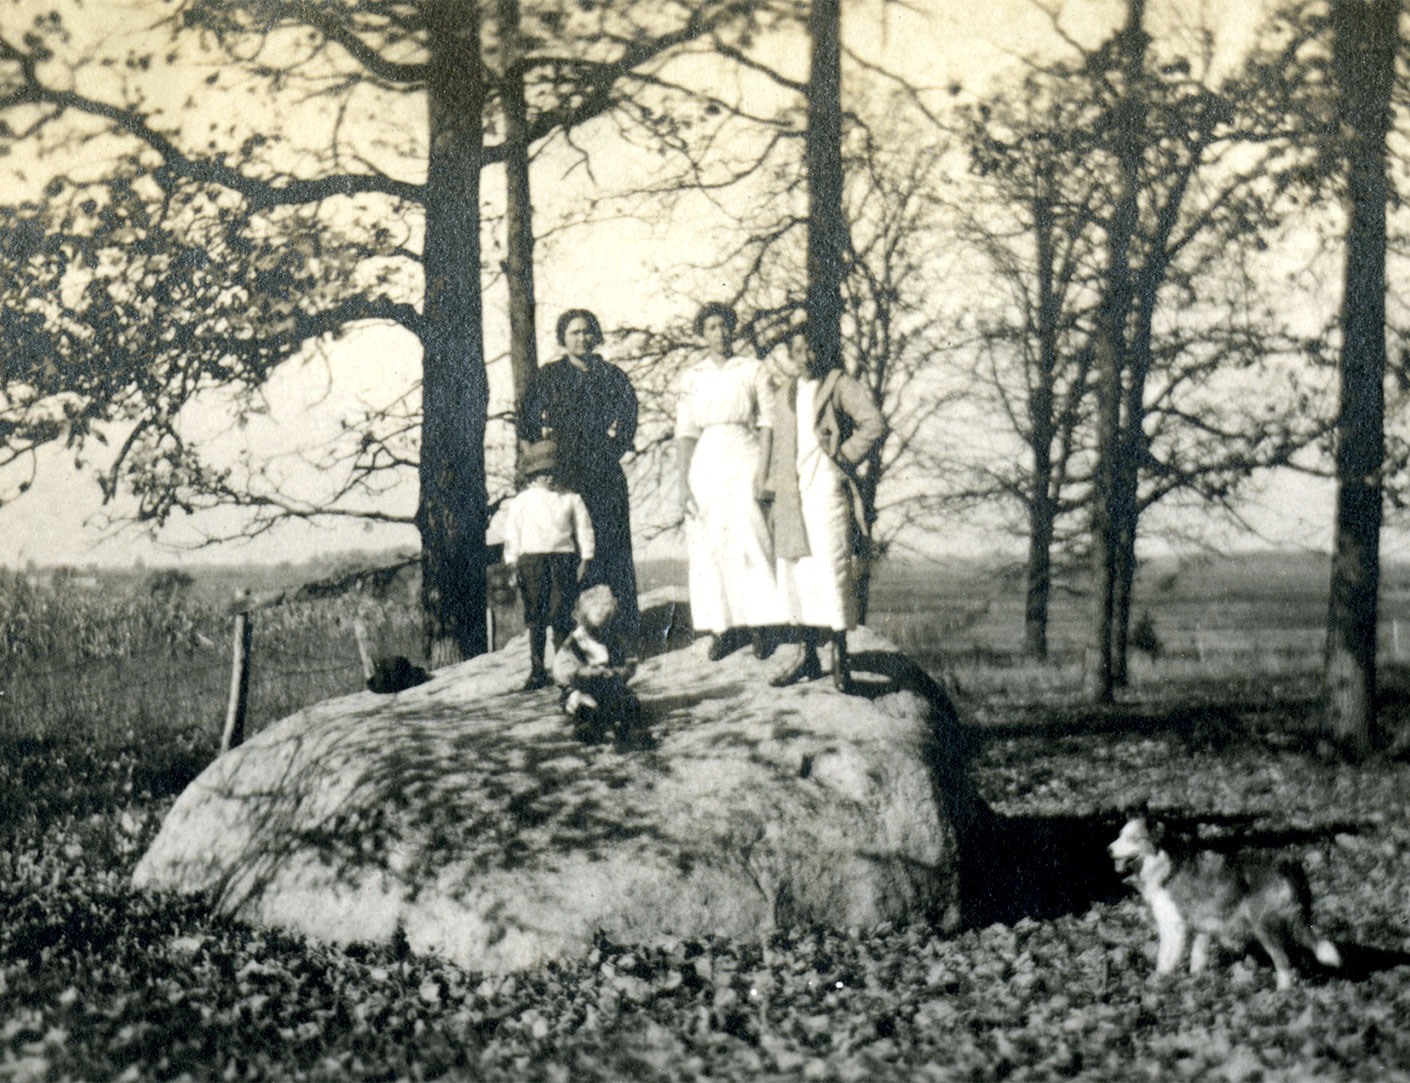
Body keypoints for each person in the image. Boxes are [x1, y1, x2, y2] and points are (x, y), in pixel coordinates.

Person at [763, 330, 885, 693]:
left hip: (827, 490)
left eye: (812, 348)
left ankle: (840, 657)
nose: (806, 356)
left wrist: (843, 457)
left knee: (832, 570)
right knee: (797, 573)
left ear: (822, 350)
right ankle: (807, 655)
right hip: (791, 493)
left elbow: (874, 424)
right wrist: (773, 493)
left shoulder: (838, 384)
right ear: (790, 356)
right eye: (798, 350)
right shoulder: (784, 393)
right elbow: (779, 447)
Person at [517, 309, 640, 646]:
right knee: (572, 551)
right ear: (563, 338)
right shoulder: (549, 376)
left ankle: (621, 630)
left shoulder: (612, 375)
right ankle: (575, 634)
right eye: (574, 332)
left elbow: (629, 416)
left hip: (603, 471)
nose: (582, 338)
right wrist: (540, 464)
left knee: (611, 546)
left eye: (587, 332)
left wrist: (614, 447)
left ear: (595, 335)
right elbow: (526, 423)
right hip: (565, 471)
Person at [675, 301, 780, 660]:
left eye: (724, 326)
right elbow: (685, 432)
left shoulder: (752, 369)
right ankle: (723, 628)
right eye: (711, 327)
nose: (719, 333)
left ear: (733, 329)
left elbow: (768, 422)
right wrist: (683, 483)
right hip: (706, 461)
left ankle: (762, 624)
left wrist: (763, 471)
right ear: (702, 334)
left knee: (751, 535)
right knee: (710, 542)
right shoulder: (692, 377)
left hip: (744, 454)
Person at [500, 440, 594, 691]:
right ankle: (537, 670)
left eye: (554, 471)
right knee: (536, 617)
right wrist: (512, 563)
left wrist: (586, 558)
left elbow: (584, 529)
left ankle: (564, 671)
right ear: (533, 476)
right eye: (544, 472)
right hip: (531, 563)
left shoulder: (571, 499)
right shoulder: (522, 501)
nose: (550, 477)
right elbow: (512, 533)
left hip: (563, 561)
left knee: (561, 615)